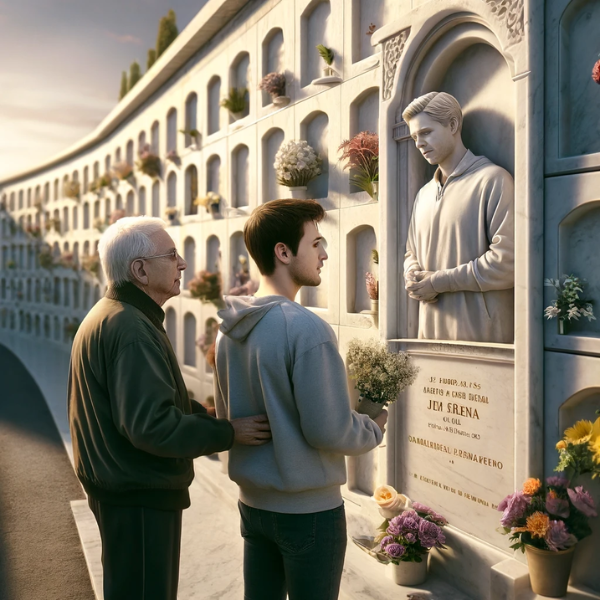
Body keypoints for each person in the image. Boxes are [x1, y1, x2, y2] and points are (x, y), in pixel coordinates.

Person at [68, 216, 271, 600]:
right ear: (140, 270)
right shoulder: (130, 329)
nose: (182, 264)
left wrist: (205, 415)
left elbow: (148, 400)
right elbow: (151, 426)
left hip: (121, 489)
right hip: (138, 494)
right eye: (172, 255)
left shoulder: (115, 314)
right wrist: (230, 433)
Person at [213, 199, 388, 600]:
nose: (325, 254)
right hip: (308, 513)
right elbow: (328, 429)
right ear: (283, 252)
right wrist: (371, 429)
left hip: (253, 507)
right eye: (316, 243)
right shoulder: (306, 329)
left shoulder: (229, 330)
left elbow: (229, 419)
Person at [402, 91, 514, 343]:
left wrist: (438, 282)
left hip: (482, 339)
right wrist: (412, 275)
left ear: (452, 125)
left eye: (426, 132)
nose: (418, 143)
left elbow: (507, 263)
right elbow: (411, 253)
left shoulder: (494, 180)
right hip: (430, 335)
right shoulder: (424, 194)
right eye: (414, 137)